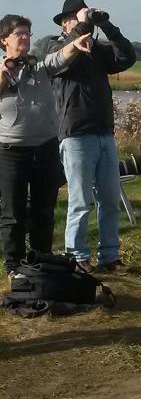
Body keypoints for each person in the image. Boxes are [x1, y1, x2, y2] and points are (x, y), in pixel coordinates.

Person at [47, 0, 136, 273]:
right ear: (65, 23)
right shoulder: (54, 47)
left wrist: (107, 26)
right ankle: (76, 257)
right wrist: (82, 27)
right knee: (80, 201)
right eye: (77, 18)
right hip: (75, 133)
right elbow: (60, 61)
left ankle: (110, 257)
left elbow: (127, 57)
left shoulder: (97, 51)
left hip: (104, 131)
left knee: (109, 199)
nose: (86, 24)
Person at [0, 14, 91, 276]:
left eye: (27, 33)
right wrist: (4, 74)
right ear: (4, 39)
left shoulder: (38, 67)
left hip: (45, 147)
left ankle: (41, 260)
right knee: (13, 212)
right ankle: (14, 265)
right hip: (10, 152)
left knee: (44, 209)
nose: (25, 38)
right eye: (19, 33)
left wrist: (76, 45)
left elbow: (60, 57)